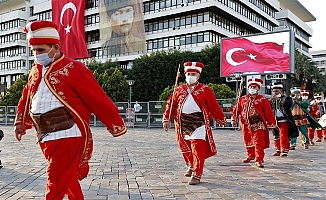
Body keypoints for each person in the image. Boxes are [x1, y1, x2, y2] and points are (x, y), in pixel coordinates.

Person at [13, 20, 127, 199]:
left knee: (55, 180)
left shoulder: (74, 68)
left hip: (68, 133)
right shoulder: (35, 71)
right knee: (67, 178)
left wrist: (115, 124)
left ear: (55, 47)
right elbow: (26, 96)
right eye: (34, 51)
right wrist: (20, 122)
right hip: (44, 134)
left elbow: (97, 97)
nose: (36, 55)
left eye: (40, 50)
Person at [162, 62, 226, 185]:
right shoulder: (179, 89)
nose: (191, 76)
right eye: (189, 74)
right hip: (182, 123)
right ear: (185, 75)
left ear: (198, 76)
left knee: (197, 148)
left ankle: (197, 174)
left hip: (199, 122)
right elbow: (170, 105)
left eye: (194, 74)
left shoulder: (205, 89)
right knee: (185, 148)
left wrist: (220, 118)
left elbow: (213, 105)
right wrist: (166, 119)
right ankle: (191, 166)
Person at [231, 77, 276, 168]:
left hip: (258, 123)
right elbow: (237, 109)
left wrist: (271, 122)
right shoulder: (242, 99)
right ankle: (250, 155)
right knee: (247, 140)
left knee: (258, 142)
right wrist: (234, 118)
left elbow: (268, 111)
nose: (252, 88)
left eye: (254, 87)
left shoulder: (263, 99)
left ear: (258, 88)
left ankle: (259, 159)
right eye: (251, 86)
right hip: (245, 123)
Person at [269, 82, 299, 157]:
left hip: (284, 120)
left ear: (281, 91)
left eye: (277, 91)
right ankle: (278, 150)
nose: (275, 92)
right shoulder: (272, 100)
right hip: (275, 121)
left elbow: (288, 104)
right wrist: (269, 101)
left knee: (283, 135)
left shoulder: (287, 98)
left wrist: (279, 100)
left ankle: (285, 150)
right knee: (276, 136)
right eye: (274, 91)